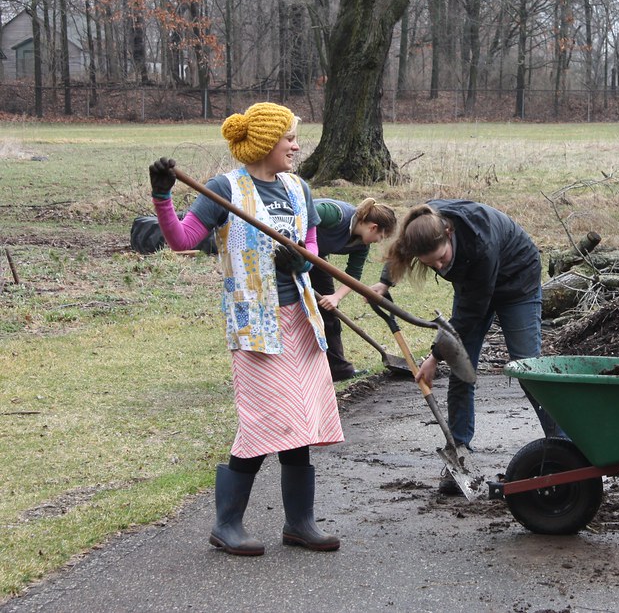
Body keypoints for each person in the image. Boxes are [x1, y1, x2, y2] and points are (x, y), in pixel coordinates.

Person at [148, 102, 344, 556]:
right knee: (264, 421)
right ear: (264, 142)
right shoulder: (224, 189)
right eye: (288, 137)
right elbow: (182, 241)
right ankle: (227, 524)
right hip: (255, 325)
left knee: (301, 422)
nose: (296, 145)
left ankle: (299, 524)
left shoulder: (298, 188)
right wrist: (162, 198)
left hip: (300, 320)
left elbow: (311, 248)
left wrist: (302, 259)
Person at [372, 200, 565, 495]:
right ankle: (459, 450)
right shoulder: (423, 225)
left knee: (527, 368)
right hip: (472, 283)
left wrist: (434, 357)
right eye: (430, 263)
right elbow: (401, 250)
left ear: (449, 233)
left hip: (517, 282)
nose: (439, 266)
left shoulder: (479, 243)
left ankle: (565, 449)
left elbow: (469, 316)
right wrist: (385, 283)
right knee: (463, 370)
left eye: (441, 258)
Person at [310, 198, 396, 381]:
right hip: (287, 251)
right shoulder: (335, 214)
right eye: (380, 237)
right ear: (373, 227)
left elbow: (353, 275)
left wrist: (336, 297)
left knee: (329, 313)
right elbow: (301, 211)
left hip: (315, 259)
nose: (377, 242)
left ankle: (339, 370)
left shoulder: (361, 245)